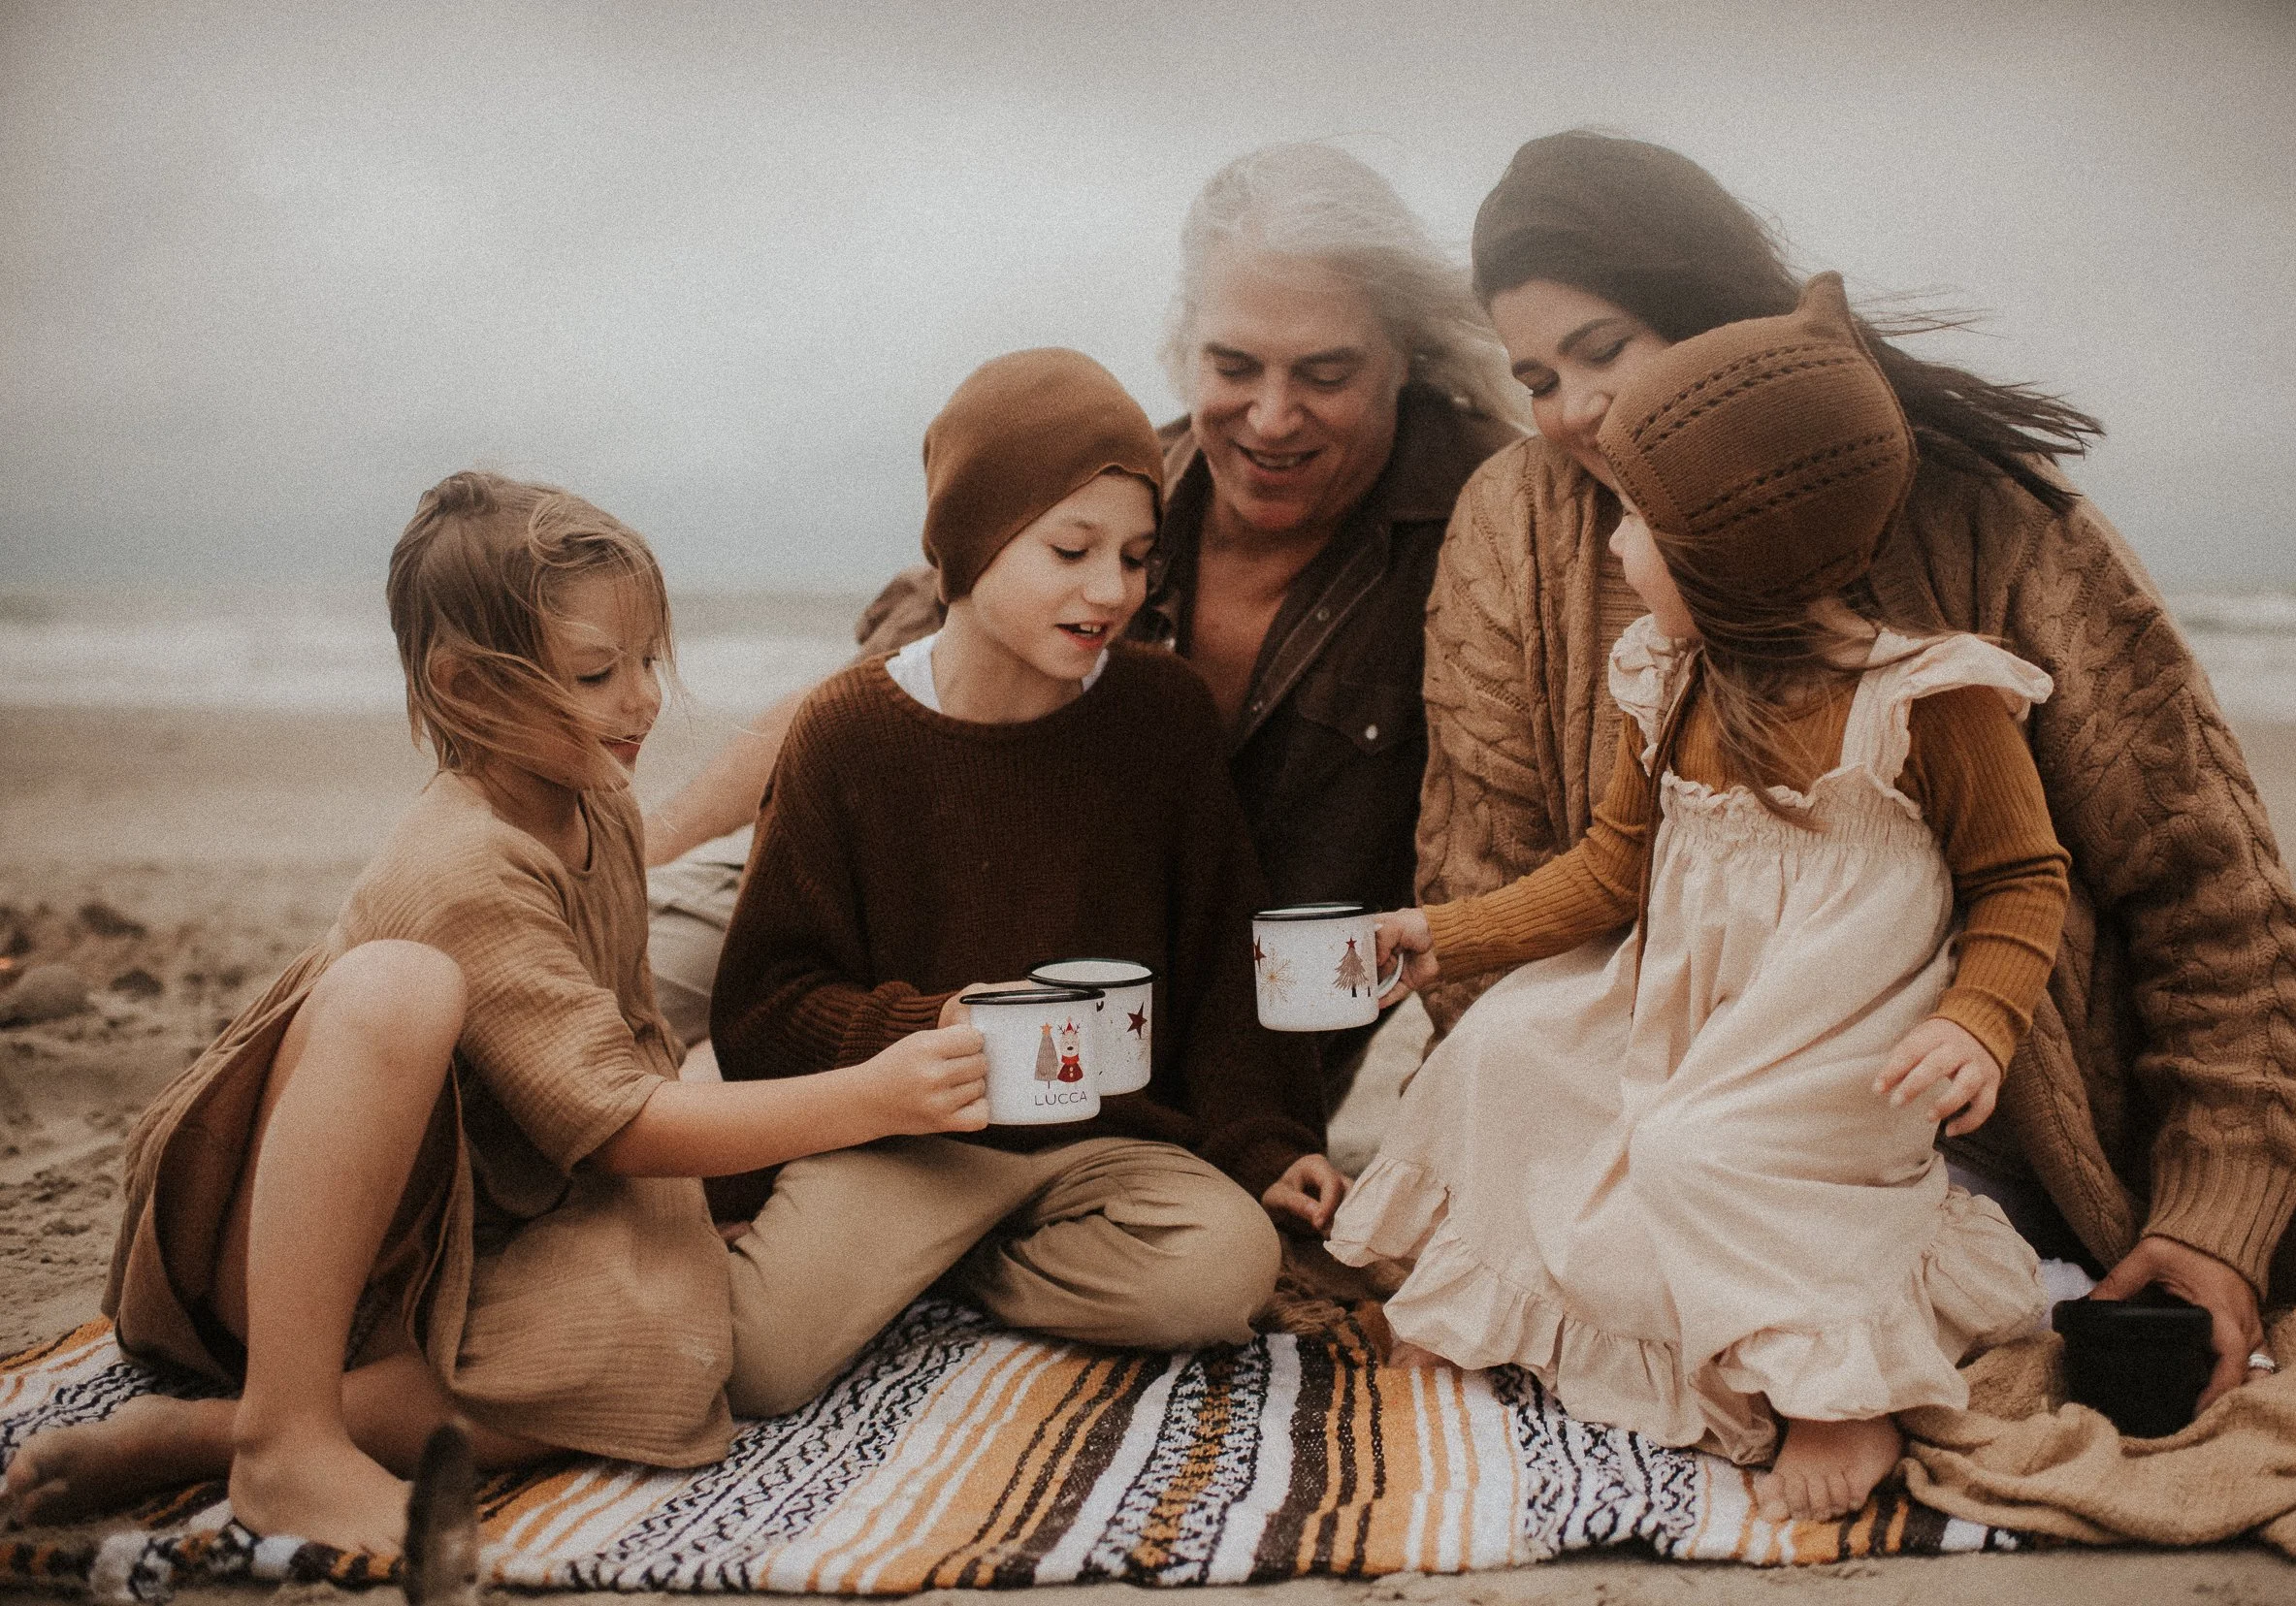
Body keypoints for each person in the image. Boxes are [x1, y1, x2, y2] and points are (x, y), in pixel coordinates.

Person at [1413, 131, 2296, 1429]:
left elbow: (2200, 883)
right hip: (1679, 1102)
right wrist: (1574, 1186)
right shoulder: (1516, 519)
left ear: (1721, 313)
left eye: (1604, 350)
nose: (1570, 412)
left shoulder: (1985, 518)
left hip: (1999, 1079)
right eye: (1535, 377)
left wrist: (2210, 1215)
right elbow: (1491, 882)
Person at [0, 473, 990, 1549]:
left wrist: (699, 1211)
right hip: (280, 1255)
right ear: (467, 688)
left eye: (648, 660)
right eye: (597, 673)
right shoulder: (464, 864)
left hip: (462, 1229)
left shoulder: (597, 806)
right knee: (400, 984)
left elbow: (629, 1047)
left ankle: (199, 1437)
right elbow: (619, 1125)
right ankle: (284, 1433)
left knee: (654, 1354)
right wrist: (873, 1096)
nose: (642, 699)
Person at [1330, 273, 2073, 1524]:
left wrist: (1977, 1022)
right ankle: (1490, 1311)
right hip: (1675, 1011)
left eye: (1636, 521)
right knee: (1505, 1050)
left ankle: (1840, 1397)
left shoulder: (1924, 701)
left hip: (1828, 1045)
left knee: (1697, 1149)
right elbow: (1609, 870)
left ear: (1733, 552)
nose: (1613, 546)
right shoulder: (1672, 680)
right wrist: (1446, 939)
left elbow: (2018, 876)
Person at [645, 143, 1525, 1107]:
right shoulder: (1119, 486)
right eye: (1233, 366)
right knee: (608, 973)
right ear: (1185, 347)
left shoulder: (1493, 517)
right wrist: (640, 852)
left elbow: (1521, 844)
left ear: (1405, 356)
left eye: (1324, 373)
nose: (1272, 417)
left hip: (1189, 1020)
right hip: (920, 898)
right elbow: (885, 680)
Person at [707, 349, 1338, 1417]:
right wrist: (930, 1029)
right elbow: (762, 1010)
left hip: (1103, 1148)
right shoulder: (847, 734)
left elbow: (1222, 954)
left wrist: (1265, 1142)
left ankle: (958, 1271)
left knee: (1221, 1276)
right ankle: (922, 1255)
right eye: (1070, 550)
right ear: (970, 541)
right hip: (906, 1144)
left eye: (1136, 557)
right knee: (763, 1363)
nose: (1112, 590)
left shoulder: (1161, 715)